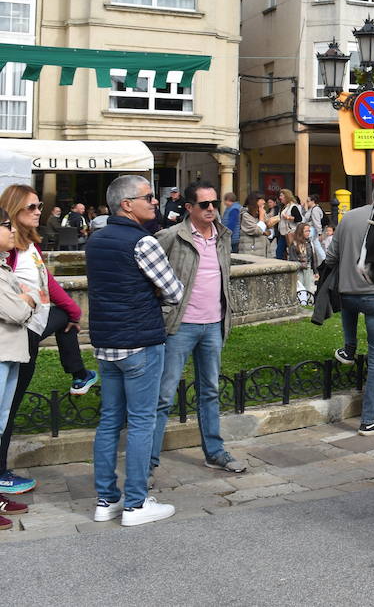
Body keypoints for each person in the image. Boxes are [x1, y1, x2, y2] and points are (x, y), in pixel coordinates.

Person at [87, 175, 182, 526]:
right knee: (142, 421)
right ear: (126, 204)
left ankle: (106, 499)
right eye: (148, 197)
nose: (155, 201)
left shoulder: (95, 241)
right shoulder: (144, 242)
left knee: (110, 420)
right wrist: (153, 294)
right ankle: (136, 503)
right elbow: (173, 291)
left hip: (107, 342)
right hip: (140, 343)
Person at [0, 186, 98, 498]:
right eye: (32, 207)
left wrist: (71, 308)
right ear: (14, 211)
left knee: (8, 406)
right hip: (17, 330)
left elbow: (47, 282)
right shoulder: (11, 248)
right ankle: (1, 473)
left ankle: (79, 374)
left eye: (39, 205)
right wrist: (67, 309)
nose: (38, 210)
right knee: (7, 407)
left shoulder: (28, 243)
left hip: (29, 326)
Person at [150, 181, 247, 476]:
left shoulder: (223, 237)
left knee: (210, 391)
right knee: (164, 396)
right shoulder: (169, 236)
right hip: (180, 326)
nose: (211, 209)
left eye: (214, 203)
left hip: (214, 325)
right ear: (189, 208)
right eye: (204, 204)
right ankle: (148, 463)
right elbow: (147, 271)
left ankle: (214, 452)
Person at [325, 205, 374, 435]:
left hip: (348, 293)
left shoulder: (349, 217)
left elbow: (331, 256)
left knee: (350, 307)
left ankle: (349, 348)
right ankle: (369, 419)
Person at [0, 210, 37, 529]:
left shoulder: (3, 265)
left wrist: (25, 299)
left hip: (10, 353)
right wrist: (26, 301)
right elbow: (16, 310)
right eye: (6, 226)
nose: (13, 231)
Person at [238, 192, 274, 258]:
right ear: (255, 201)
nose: (264, 202)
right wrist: (261, 216)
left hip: (263, 252)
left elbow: (269, 230)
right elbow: (257, 230)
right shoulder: (246, 215)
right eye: (262, 199)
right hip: (251, 253)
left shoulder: (261, 212)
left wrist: (268, 231)